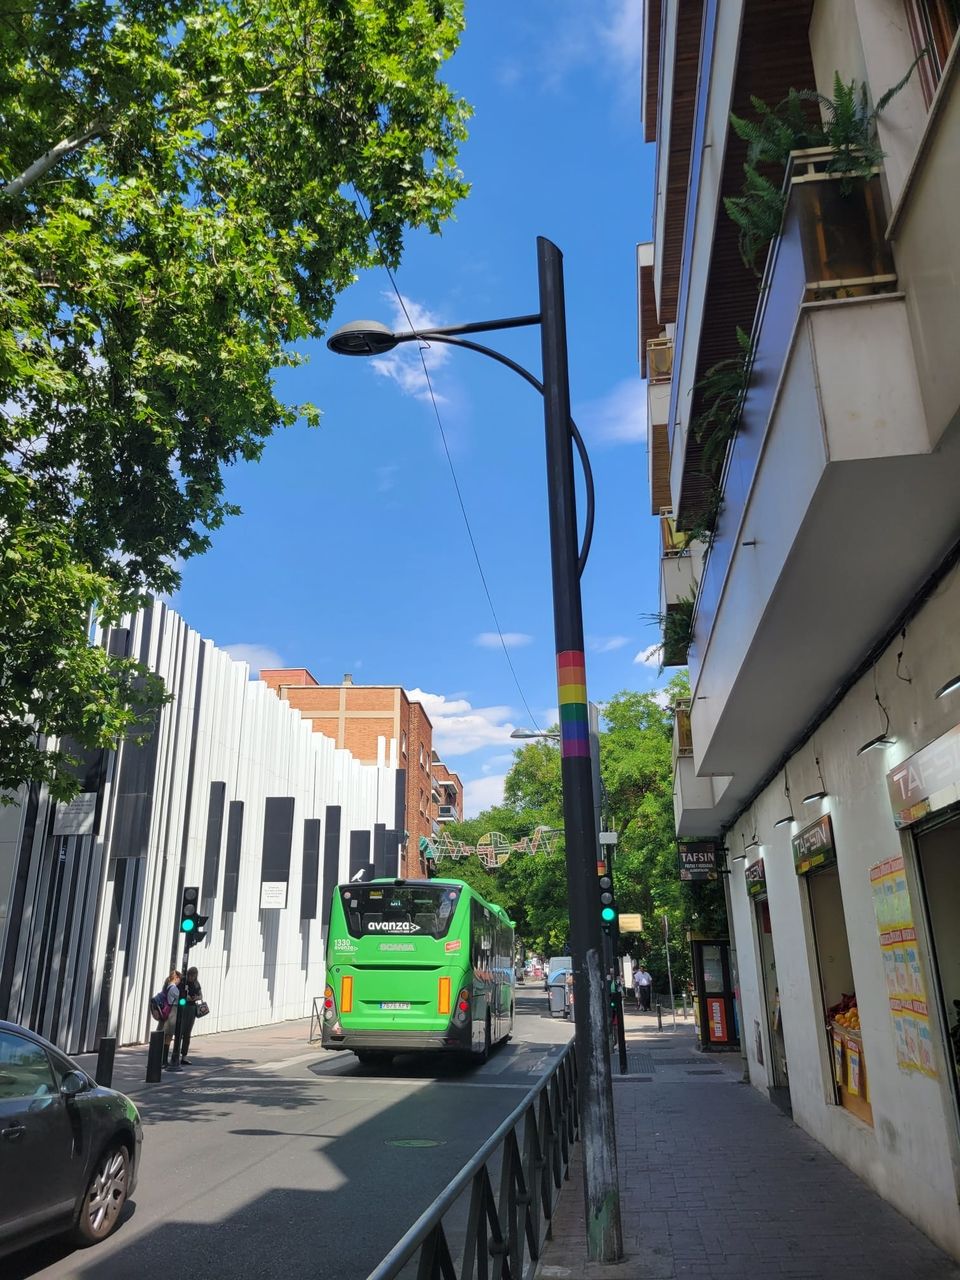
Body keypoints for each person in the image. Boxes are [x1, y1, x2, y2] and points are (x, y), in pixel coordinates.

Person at [180, 967, 203, 1065]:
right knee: (179, 1031)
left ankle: (184, 1056)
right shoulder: (183, 982)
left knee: (187, 1033)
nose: (191, 978)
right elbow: (180, 994)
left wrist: (195, 997)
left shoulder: (196, 984)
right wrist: (186, 997)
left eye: (193, 976)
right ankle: (177, 1055)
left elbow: (201, 995)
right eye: (190, 975)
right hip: (184, 1007)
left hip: (192, 1008)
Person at [160, 969, 182, 1068]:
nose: (180, 981)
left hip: (166, 1011)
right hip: (172, 1011)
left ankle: (162, 1059)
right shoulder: (174, 988)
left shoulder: (167, 986)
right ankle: (164, 1060)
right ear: (176, 978)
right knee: (168, 1036)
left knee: (164, 1036)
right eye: (179, 979)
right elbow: (180, 1000)